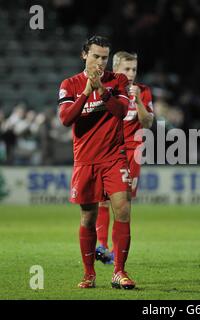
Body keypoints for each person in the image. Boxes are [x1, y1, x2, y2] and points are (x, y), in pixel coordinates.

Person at [58, 35, 136, 290]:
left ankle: (119, 271)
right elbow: (66, 119)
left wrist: (101, 89)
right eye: (96, 56)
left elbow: (121, 112)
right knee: (88, 217)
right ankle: (89, 273)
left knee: (122, 209)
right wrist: (86, 93)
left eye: (104, 57)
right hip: (85, 160)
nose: (101, 62)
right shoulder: (70, 84)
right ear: (84, 55)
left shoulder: (118, 80)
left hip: (114, 157)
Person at [95, 51, 154, 264]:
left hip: (132, 152)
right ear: (116, 69)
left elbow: (147, 123)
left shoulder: (144, 91)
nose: (131, 74)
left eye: (134, 69)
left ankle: (114, 255)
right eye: (127, 69)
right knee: (102, 201)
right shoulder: (107, 88)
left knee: (123, 206)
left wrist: (137, 100)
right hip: (107, 151)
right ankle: (102, 246)